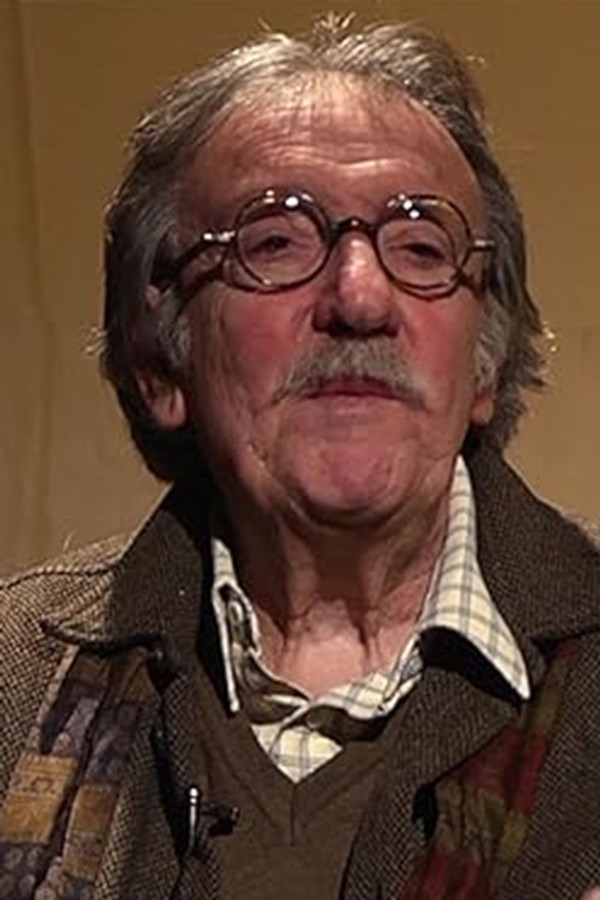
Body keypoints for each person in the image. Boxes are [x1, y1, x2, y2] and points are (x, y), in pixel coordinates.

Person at [1, 13, 600, 900]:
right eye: (275, 241)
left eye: (422, 248)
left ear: (485, 365)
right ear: (160, 360)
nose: (360, 297)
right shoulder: (15, 676)